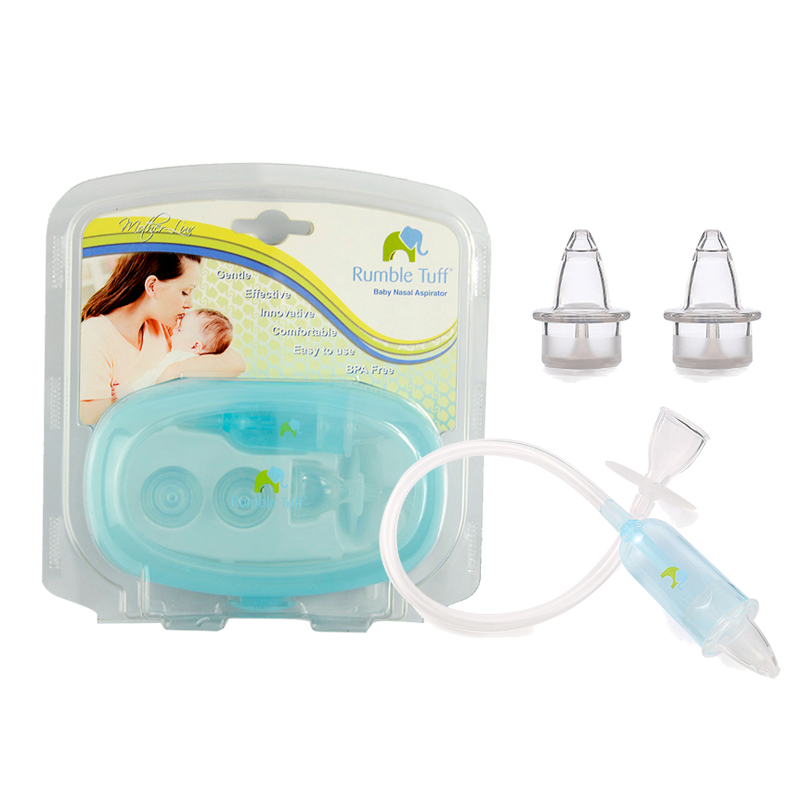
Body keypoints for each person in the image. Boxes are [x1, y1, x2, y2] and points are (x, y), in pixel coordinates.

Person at [80, 252, 245, 424]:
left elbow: (236, 361)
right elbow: (93, 417)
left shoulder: (168, 327)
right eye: (185, 292)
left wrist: (173, 372)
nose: (189, 304)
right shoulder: (94, 336)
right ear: (152, 286)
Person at [116, 308, 234, 396]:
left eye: (180, 330)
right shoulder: (205, 367)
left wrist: (129, 390)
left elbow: (153, 377)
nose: (174, 330)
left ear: (195, 346)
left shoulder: (178, 357)